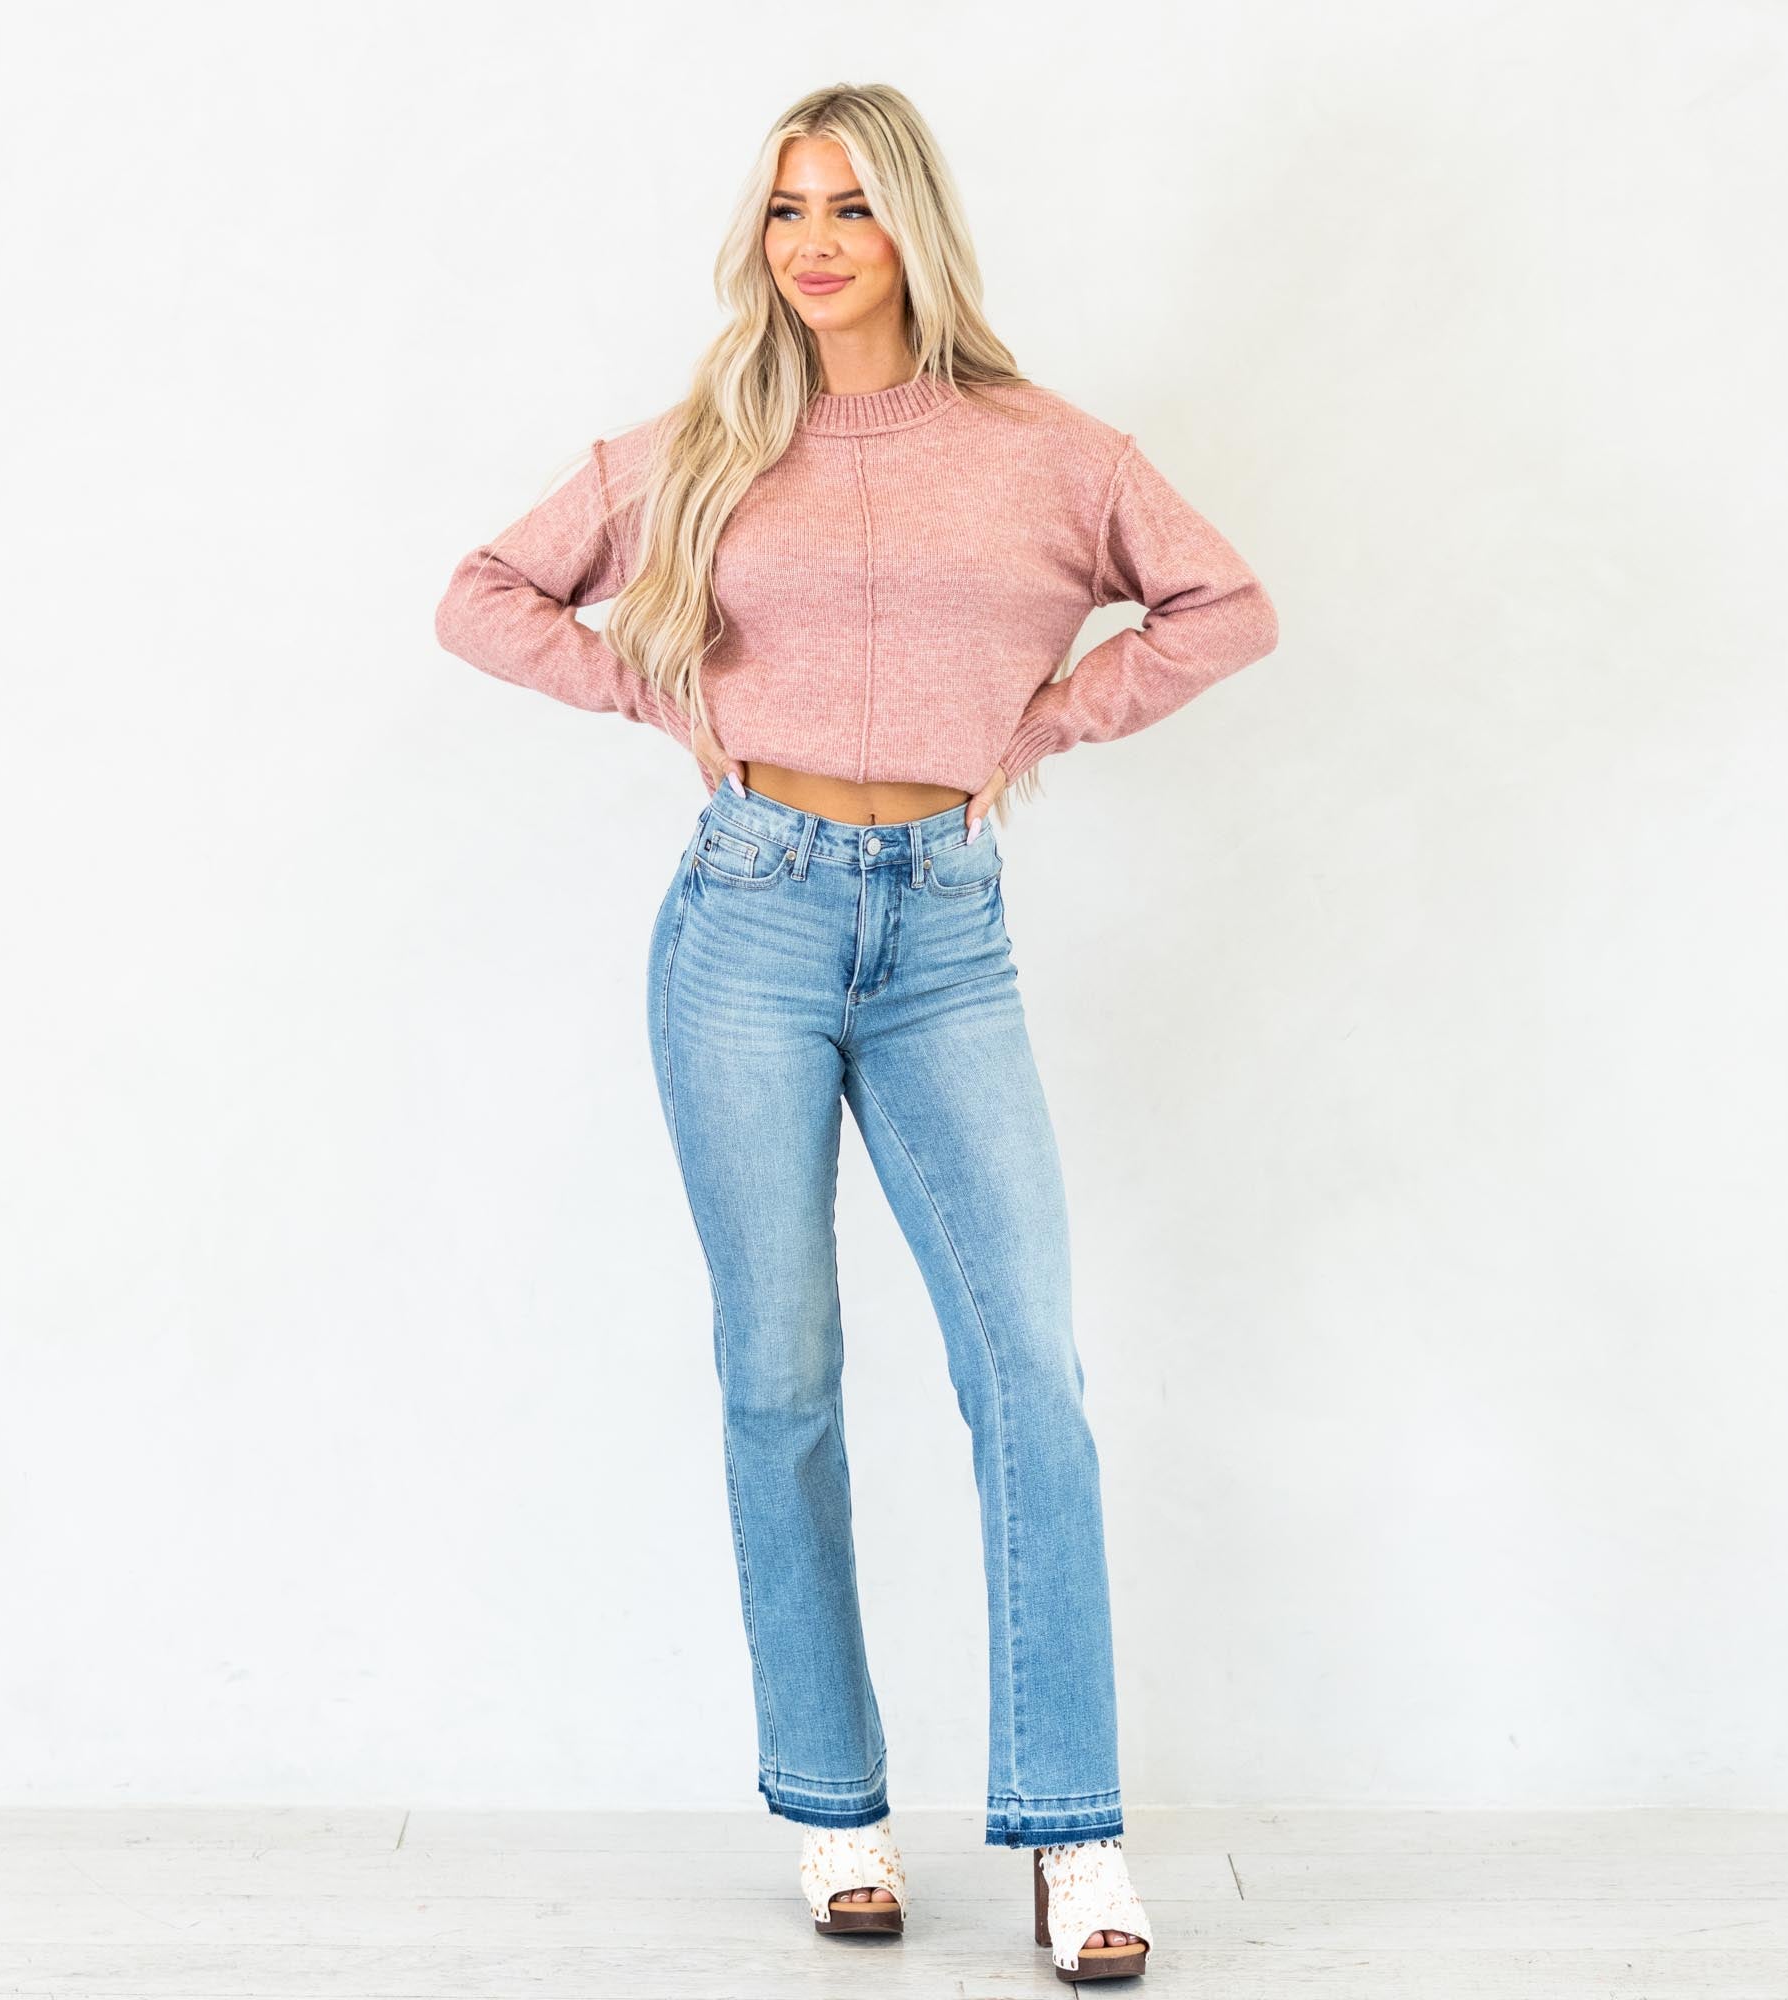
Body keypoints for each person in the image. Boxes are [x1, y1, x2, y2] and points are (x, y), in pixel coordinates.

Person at [433, 80, 1279, 1985]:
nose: (814, 243)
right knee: (782, 1375)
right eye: (786, 209)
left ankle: (1073, 1833)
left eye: (850, 207)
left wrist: (1044, 722)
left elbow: (1226, 606)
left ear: (914, 228)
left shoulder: (1052, 452)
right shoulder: (702, 443)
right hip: (745, 916)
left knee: (1028, 1373)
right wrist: (665, 700)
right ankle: (835, 1811)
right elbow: (482, 596)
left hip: (946, 934)